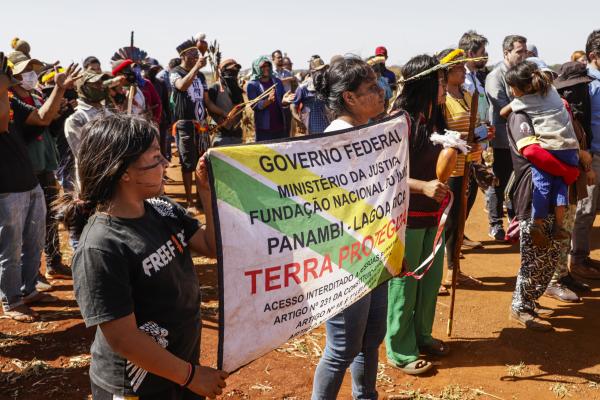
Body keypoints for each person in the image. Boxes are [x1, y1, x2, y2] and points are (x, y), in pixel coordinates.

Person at [60, 114, 228, 399]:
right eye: (155, 158)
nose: (166, 163)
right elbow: (123, 339)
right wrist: (190, 376)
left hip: (177, 369)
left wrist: (205, 190)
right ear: (124, 171)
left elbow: (211, 246)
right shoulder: (101, 246)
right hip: (136, 387)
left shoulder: (160, 207)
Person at [310, 56, 386, 399]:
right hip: (345, 259)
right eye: (371, 88)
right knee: (341, 348)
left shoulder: (370, 131)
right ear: (350, 98)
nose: (381, 91)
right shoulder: (335, 142)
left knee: (370, 339)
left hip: (375, 251)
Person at [0, 52, 80, 322]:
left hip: (29, 182)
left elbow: (43, 118)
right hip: (6, 189)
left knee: (33, 241)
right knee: (9, 248)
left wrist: (58, 88)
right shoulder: (4, 100)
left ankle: (28, 290)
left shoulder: (10, 100)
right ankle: (11, 301)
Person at [386, 54, 450, 375]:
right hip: (407, 217)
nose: (445, 85)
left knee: (430, 282)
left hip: (434, 216)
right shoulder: (400, 120)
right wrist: (422, 187)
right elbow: (386, 173)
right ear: (424, 82)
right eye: (440, 80)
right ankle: (399, 348)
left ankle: (422, 334)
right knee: (405, 285)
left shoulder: (437, 118)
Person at [505, 87, 580, 332]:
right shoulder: (520, 116)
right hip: (532, 190)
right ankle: (521, 306)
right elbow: (532, 152)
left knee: (549, 253)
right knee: (534, 255)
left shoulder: (542, 113)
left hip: (551, 188)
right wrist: (567, 170)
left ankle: (530, 300)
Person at [8, 51, 74, 280]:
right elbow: (30, 129)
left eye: (33, 70)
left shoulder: (35, 97)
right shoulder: (9, 100)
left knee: (49, 216)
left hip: (45, 162)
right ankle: (30, 275)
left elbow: (48, 130)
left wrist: (59, 115)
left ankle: (53, 262)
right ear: (12, 73)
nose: (31, 75)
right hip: (25, 168)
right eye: (25, 71)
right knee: (26, 225)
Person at [500, 61, 580, 247]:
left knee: (542, 184)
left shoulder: (522, 103)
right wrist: (566, 171)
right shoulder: (551, 91)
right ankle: (558, 226)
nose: (511, 92)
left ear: (525, 87)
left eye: (512, 88)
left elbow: (531, 151)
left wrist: (514, 104)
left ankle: (537, 223)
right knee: (561, 188)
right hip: (570, 147)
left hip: (549, 148)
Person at [437, 49, 489, 289]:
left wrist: (482, 134)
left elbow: (475, 125)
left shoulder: (468, 95)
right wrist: (464, 137)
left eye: (461, 67)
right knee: (447, 221)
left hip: (468, 165)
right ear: (446, 72)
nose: (462, 70)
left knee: (459, 220)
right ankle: (443, 272)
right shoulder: (441, 100)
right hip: (449, 169)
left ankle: (454, 268)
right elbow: (439, 134)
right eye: (457, 67)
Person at [170, 38, 226, 213]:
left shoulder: (201, 76)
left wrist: (223, 114)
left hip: (201, 126)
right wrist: (195, 68)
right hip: (185, 124)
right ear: (183, 56)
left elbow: (207, 101)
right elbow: (181, 86)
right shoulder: (176, 73)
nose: (197, 57)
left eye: (198, 54)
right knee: (188, 162)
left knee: (202, 162)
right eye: (193, 54)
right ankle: (190, 202)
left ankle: (201, 198)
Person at [485, 34, 528, 241]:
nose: (523, 56)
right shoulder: (495, 76)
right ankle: (495, 224)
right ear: (506, 53)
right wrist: (526, 99)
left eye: (525, 52)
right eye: (519, 52)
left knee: (517, 181)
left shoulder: (522, 74)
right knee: (498, 182)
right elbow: (502, 107)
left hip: (520, 139)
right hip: (501, 138)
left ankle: (514, 222)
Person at [570, 30, 600, 279]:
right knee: (585, 209)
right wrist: (584, 154)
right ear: (593, 56)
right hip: (591, 156)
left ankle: (585, 256)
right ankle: (577, 260)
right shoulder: (582, 84)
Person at [246, 56, 294, 142]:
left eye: (268, 65)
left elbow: (282, 101)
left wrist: (285, 101)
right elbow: (254, 106)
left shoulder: (277, 82)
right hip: (264, 129)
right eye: (263, 66)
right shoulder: (252, 85)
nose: (267, 68)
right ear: (256, 68)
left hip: (280, 127)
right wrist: (268, 101)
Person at [207, 59, 244, 146]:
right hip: (221, 135)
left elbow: (241, 107)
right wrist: (222, 122)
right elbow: (210, 108)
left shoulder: (237, 88)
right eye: (230, 71)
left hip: (237, 135)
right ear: (223, 71)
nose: (234, 72)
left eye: (236, 70)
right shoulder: (214, 88)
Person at [290, 57, 329, 135]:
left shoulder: (327, 85)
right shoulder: (303, 87)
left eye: (323, 70)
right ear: (312, 71)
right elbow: (293, 105)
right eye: (320, 70)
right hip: (311, 129)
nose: (322, 72)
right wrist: (298, 120)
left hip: (328, 126)